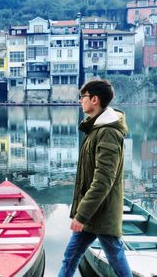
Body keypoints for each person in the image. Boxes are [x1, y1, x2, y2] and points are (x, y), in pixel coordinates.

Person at [58, 80, 132, 277]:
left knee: (115, 257)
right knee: (70, 258)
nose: (81, 101)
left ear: (95, 99)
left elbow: (103, 180)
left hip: (101, 213)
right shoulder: (96, 128)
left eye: (83, 97)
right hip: (92, 213)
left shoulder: (108, 132)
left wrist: (81, 215)